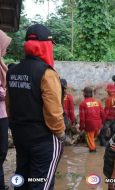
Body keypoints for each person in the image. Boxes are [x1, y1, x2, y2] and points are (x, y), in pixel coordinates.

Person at [6, 24, 65, 190]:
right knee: (41, 183)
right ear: (45, 46)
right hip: (43, 138)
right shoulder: (47, 73)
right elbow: (53, 113)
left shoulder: (12, 71)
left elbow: (10, 106)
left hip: (20, 135)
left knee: (22, 177)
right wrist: (60, 134)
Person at [0, 29, 11, 190]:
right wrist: (7, 91)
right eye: (5, 45)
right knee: (1, 151)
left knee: (2, 152)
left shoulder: (1, 63)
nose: (6, 48)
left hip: (3, 113)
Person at [79, 87, 105, 152]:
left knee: (91, 146)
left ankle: (92, 158)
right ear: (91, 94)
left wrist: (81, 128)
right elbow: (103, 114)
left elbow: (82, 118)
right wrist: (102, 123)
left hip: (89, 126)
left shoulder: (83, 104)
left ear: (84, 94)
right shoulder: (97, 102)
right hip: (98, 126)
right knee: (92, 139)